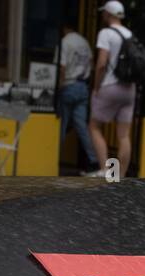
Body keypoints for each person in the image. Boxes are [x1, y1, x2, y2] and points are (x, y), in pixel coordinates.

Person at [88, 0, 135, 178]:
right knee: (123, 135)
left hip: (110, 86)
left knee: (94, 126)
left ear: (108, 14)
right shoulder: (129, 34)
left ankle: (105, 170)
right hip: (129, 89)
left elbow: (101, 64)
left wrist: (96, 87)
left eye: (103, 13)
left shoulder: (106, 33)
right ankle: (120, 176)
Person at [57, 19, 96, 175]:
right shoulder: (84, 43)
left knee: (62, 124)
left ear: (65, 28)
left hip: (68, 85)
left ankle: (54, 157)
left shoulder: (64, 42)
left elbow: (62, 67)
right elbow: (92, 63)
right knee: (81, 126)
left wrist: (59, 86)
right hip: (83, 87)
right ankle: (93, 159)